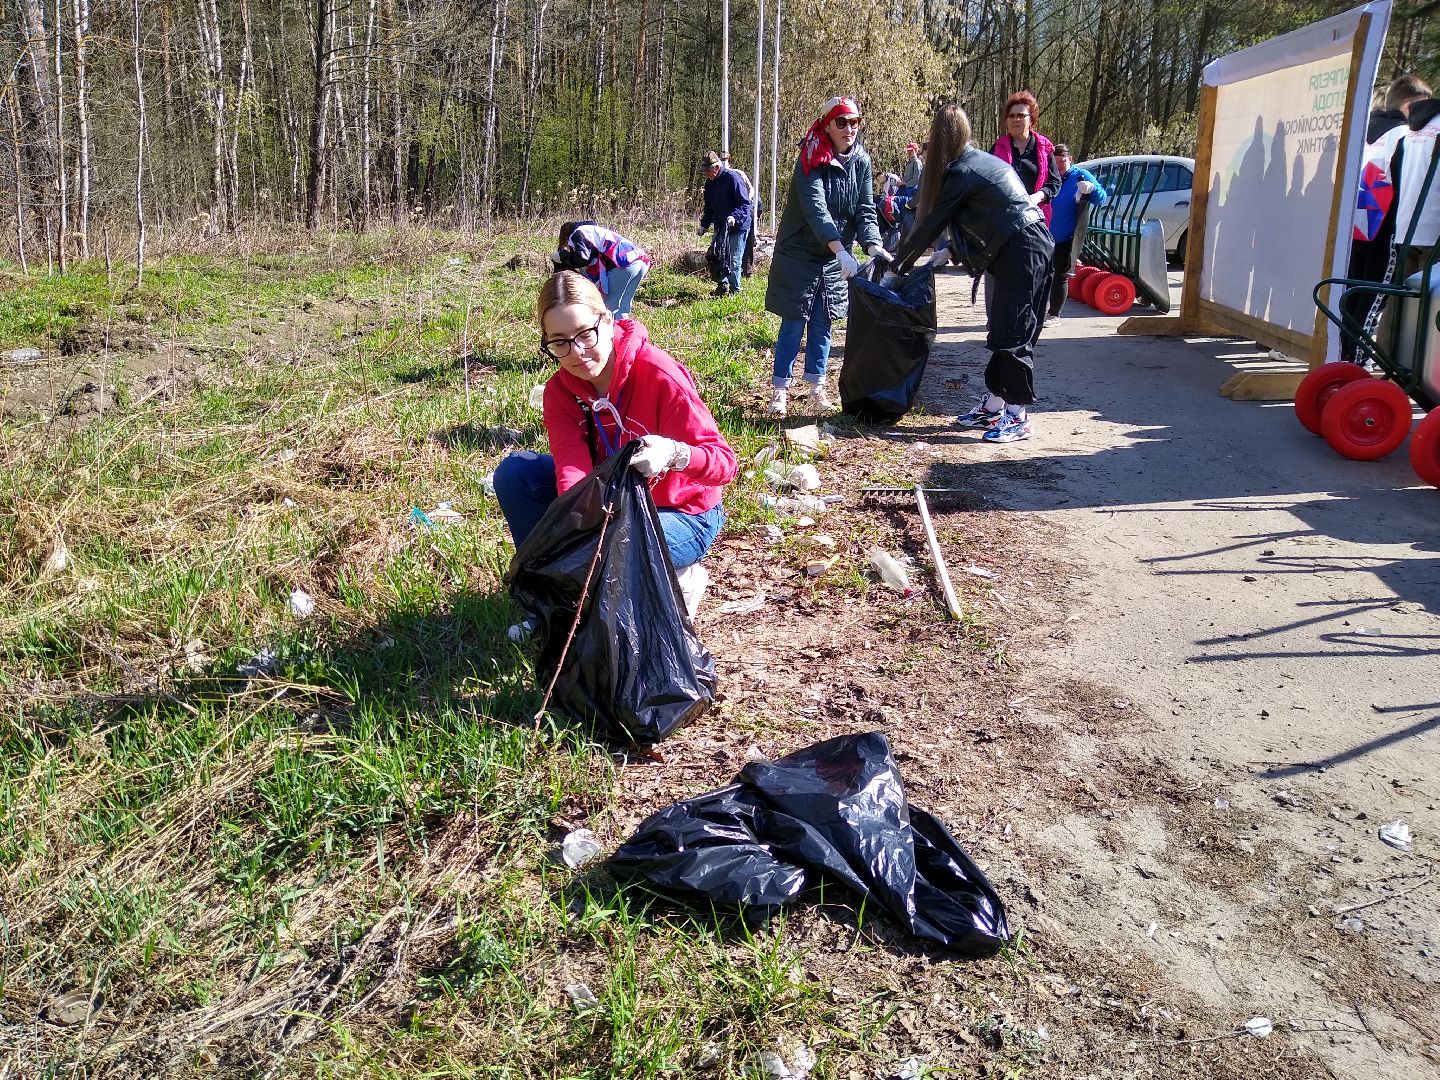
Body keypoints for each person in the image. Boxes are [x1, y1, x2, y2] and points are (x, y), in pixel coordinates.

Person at [493, 271, 737, 616]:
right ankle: (551, 605)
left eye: (585, 334)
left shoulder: (658, 373)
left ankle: (679, 579)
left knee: (613, 544)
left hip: (682, 513)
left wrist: (674, 453)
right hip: (612, 502)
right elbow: (572, 469)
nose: (577, 353)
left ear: (607, 321)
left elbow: (725, 464)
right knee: (516, 475)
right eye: (560, 342)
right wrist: (576, 527)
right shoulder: (561, 392)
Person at [896, 103, 1053, 444]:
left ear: (941, 139)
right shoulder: (974, 163)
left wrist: (897, 267)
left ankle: (1018, 415)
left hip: (1024, 250)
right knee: (1002, 329)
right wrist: (951, 251)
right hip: (1021, 247)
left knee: (1014, 334)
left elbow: (930, 223)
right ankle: (995, 405)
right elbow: (989, 217)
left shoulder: (965, 171)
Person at [763, 95, 886, 418]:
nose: (849, 129)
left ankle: (816, 388)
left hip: (834, 257)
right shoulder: (810, 157)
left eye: (855, 122)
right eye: (841, 122)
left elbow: (865, 208)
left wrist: (873, 245)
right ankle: (780, 390)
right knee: (794, 321)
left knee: (824, 321)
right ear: (826, 125)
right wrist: (841, 249)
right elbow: (816, 209)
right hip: (800, 253)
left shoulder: (861, 161)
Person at [1344, 74, 1432, 360]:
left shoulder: (1370, 129)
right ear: (1410, 103)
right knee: (1375, 294)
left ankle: (1345, 352)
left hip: (1359, 222)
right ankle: (1357, 358)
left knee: (1355, 289)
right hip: (1386, 224)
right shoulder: (1404, 134)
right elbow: (1407, 181)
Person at [1045, 144, 1107, 321]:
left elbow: (1101, 198)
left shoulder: (1080, 175)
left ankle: (1054, 315)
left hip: (1065, 237)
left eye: (1063, 161)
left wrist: (1092, 189)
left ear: (1070, 160)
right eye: (1055, 162)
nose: (1059, 165)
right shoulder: (1047, 175)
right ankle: (1037, 312)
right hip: (1043, 236)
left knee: (1060, 276)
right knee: (1041, 276)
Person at [551, 222, 652, 319]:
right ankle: (623, 330)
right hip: (640, 260)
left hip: (622, 263)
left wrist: (563, 256)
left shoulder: (576, 233)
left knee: (608, 307)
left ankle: (609, 331)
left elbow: (582, 258)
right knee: (623, 309)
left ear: (565, 237)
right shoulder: (591, 230)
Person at [990, 91, 1061, 225]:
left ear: (1031, 120)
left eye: (1021, 115)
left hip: (1036, 219)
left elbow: (1054, 183)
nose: (1015, 119)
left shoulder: (1044, 147)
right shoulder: (997, 148)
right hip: (1004, 221)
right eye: (1011, 116)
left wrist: (1038, 197)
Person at [699, 150, 752, 297]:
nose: (706, 174)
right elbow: (709, 207)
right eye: (704, 171)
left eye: (708, 171)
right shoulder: (709, 183)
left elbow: (745, 204)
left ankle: (735, 291)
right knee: (716, 257)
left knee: (733, 260)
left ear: (716, 167)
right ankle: (723, 286)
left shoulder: (732, 178)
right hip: (721, 225)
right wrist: (704, 225)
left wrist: (734, 217)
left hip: (738, 226)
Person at [720, 151, 760, 276]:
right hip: (730, 213)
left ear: (729, 161)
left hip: (745, 210)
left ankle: (747, 270)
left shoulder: (738, 174)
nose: (724, 162)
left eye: (725, 160)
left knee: (747, 240)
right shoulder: (718, 177)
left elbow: (751, 189)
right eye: (721, 160)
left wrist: (746, 198)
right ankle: (728, 270)